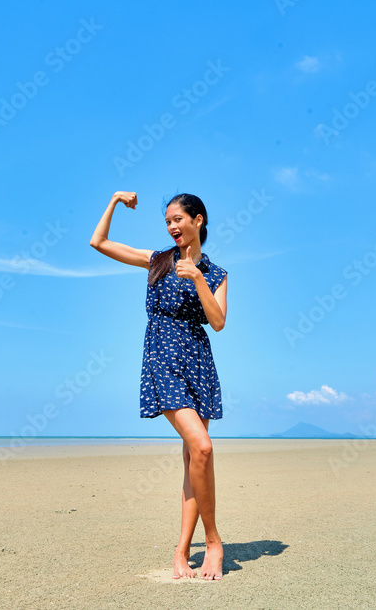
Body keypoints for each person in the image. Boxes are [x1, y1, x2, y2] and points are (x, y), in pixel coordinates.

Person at [89, 190, 228, 581]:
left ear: (198, 220)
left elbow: (217, 322)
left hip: (198, 362)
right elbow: (98, 243)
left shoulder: (216, 273)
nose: (171, 227)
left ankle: (182, 552)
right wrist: (114, 202)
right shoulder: (158, 260)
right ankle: (214, 541)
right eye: (167, 221)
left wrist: (199, 278)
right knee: (203, 446)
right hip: (162, 360)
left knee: (192, 461)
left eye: (178, 220)